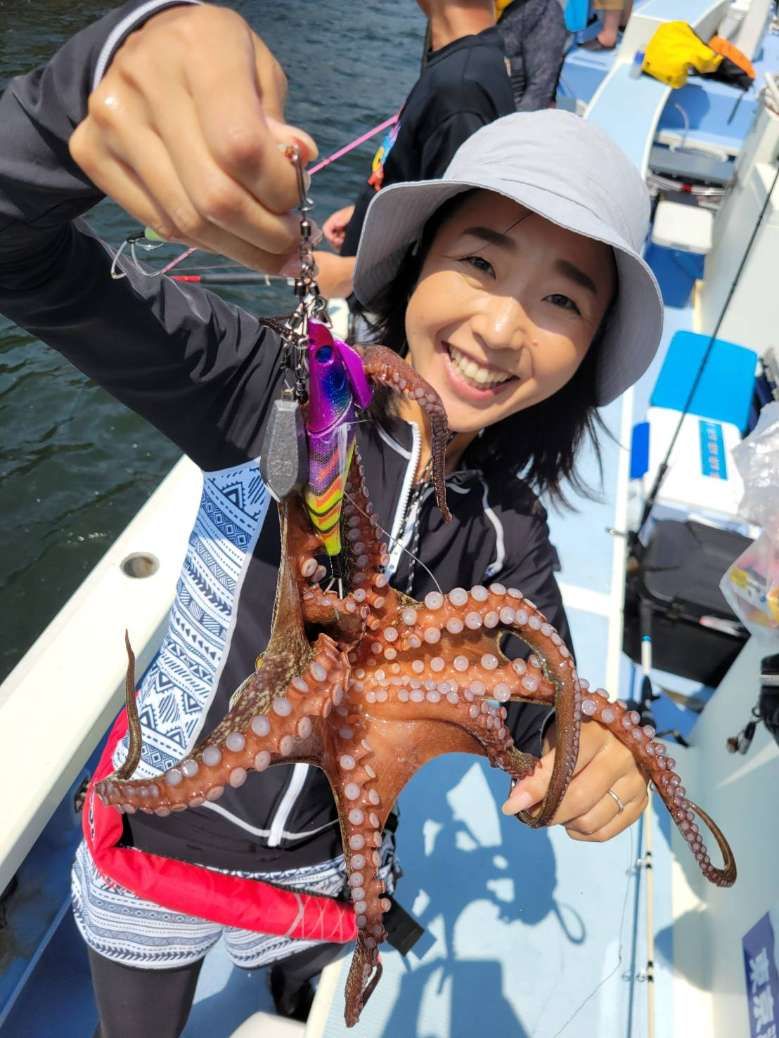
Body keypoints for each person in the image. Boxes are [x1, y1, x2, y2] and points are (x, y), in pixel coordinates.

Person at [0, 3, 661, 1035]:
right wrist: (96, 72)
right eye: (481, 262)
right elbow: (20, 252)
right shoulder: (268, 393)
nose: (500, 326)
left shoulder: (506, 532)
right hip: (152, 854)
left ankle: (291, 977)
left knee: (309, 991)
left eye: (562, 301)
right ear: (415, 263)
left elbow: (543, 702)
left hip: (324, 870)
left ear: (587, 350)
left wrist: (591, 755)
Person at [317, 0, 514, 299]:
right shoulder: (472, 60)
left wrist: (347, 275)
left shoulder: (459, 91)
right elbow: (428, 178)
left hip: (377, 305)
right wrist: (369, 211)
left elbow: (460, 247)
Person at [496, 0, 567, 111]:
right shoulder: (478, 6)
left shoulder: (542, 8)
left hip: (512, 111)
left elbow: (541, 83)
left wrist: (520, 120)